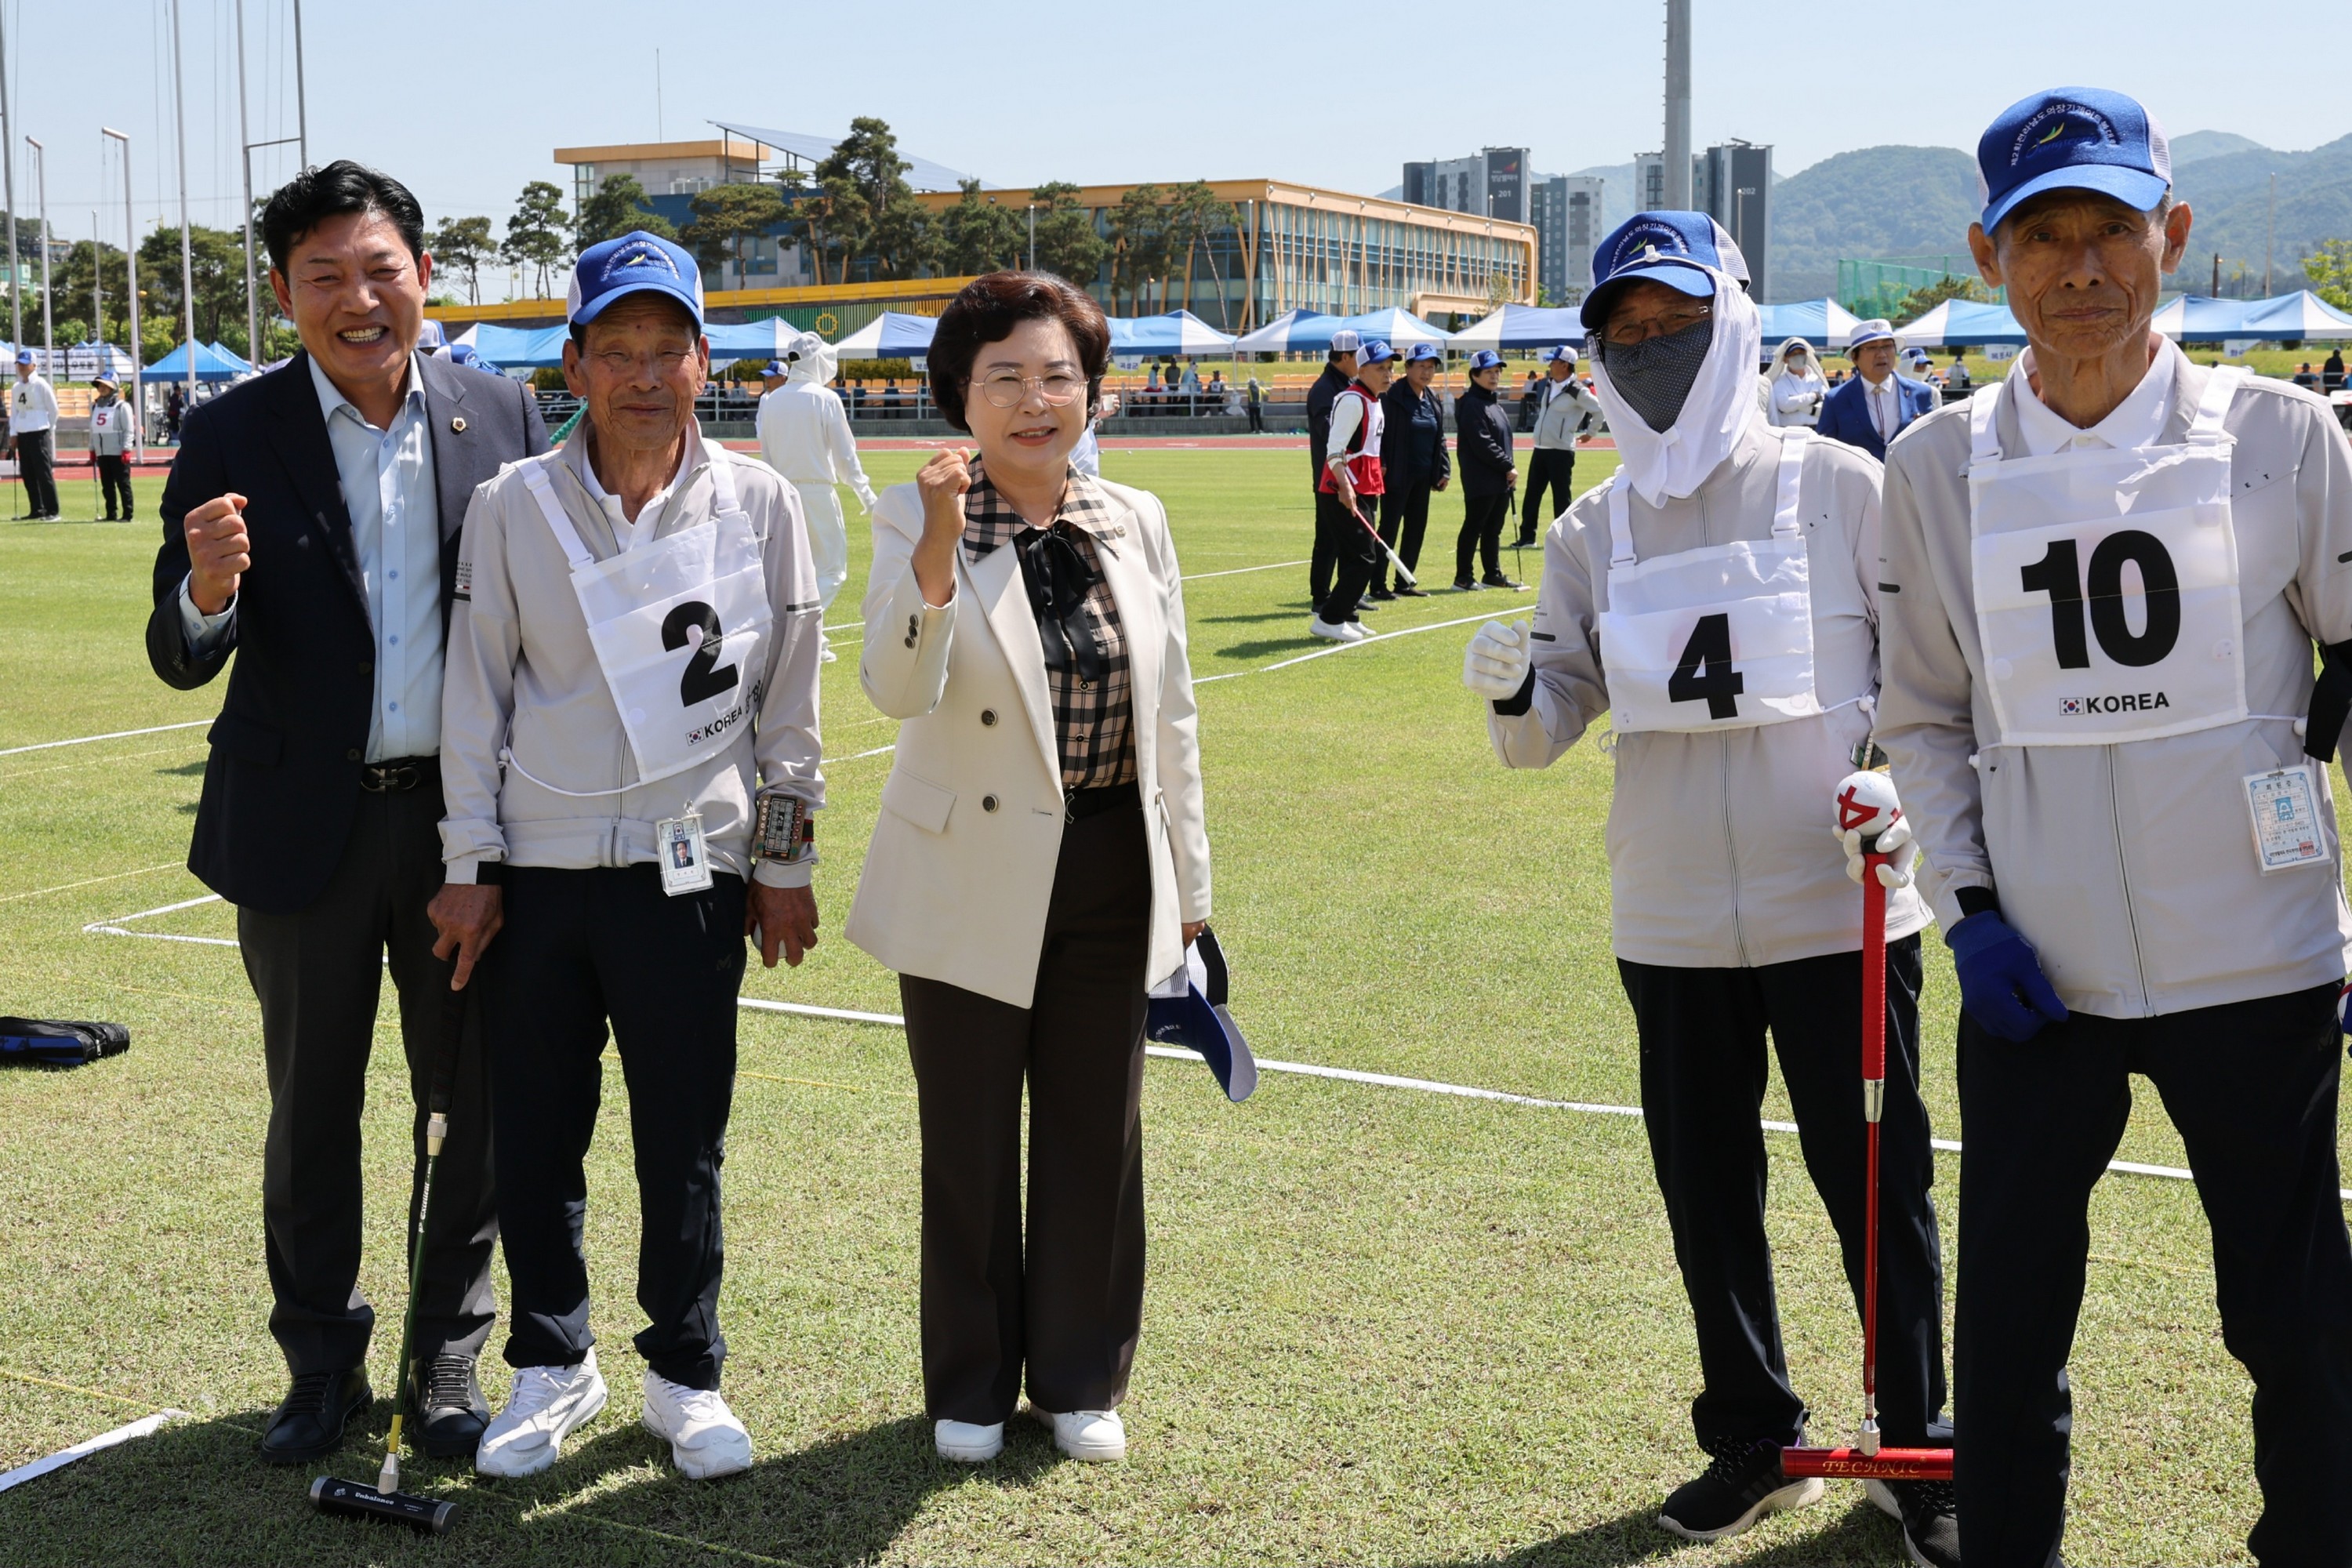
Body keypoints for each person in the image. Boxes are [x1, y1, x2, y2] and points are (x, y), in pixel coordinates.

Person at [1877, 85, 2352, 1568]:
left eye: (2113, 228)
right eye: (2043, 235)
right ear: (1987, 255)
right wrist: (1968, 912)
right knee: (2010, 1332)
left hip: (2260, 963)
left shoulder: (2287, 436)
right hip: (2041, 976)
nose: (2082, 266)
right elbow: (1926, 714)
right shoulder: (1936, 466)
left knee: (2297, 1320)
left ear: (2176, 233)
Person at [1460, 209, 1958, 1565]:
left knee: (1879, 1187)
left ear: (1735, 318)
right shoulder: (1594, 529)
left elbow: (1930, 686)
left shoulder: (1839, 487)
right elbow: (1543, 729)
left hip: (1840, 907)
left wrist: (1900, 794)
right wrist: (1517, 688)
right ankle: (1756, 1437)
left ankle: (1919, 1446)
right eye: (1627, 329)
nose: (1655, 347)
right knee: (1706, 1187)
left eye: (1679, 320)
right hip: (1671, 916)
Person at [143, 160, 550, 1466]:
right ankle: (320, 1363)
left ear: (424, 276)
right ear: (283, 295)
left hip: (460, 827)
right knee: (311, 1104)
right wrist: (207, 589)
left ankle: (444, 1360)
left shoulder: (503, 414)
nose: (358, 300)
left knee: (467, 1102)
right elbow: (181, 648)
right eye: (324, 277)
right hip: (298, 834)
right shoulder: (230, 429)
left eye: (381, 270)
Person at [430, 230, 824, 1483]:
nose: (644, 375)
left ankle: (684, 1373)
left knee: (683, 1136)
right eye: (618, 351)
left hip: (693, 871)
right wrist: (469, 860)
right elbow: (474, 696)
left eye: (669, 349)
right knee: (539, 1131)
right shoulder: (512, 507)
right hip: (539, 876)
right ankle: (552, 1363)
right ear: (575, 363)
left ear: (705, 361)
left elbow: (791, 713)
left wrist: (785, 861)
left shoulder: (760, 503)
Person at [845, 270, 1210, 1468]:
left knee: (1096, 1129)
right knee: (966, 1136)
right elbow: (896, 688)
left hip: (1110, 861)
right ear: (962, 397)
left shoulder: (1135, 517)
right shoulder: (916, 518)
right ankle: (967, 1382)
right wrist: (944, 546)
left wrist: (1190, 888)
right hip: (967, 865)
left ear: (1091, 392)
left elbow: (1177, 721)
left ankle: (1077, 1376)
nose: (1034, 400)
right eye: (1004, 378)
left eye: (1058, 375)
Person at [757, 331, 878, 657]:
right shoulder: (824, 399)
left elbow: (765, 455)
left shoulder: (770, 401)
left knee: (798, 569)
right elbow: (845, 456)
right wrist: (866, 495)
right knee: (832, 571)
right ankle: (803, 630)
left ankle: (811, 638)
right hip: (816, 493)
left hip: (781, 493)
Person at [1309, 339, 1398, 642]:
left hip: (1366, 486)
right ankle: (1329, 618)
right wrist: (1346, 488)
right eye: (1380, 368)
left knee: (1354, 556)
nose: (1388, 374)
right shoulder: (1352, 400)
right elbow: (1334, 450)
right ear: (1361, 369)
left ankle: (1348, 615)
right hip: (1343, 488)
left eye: (1390, 368)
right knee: (1364, 558)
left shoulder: (1374, 399)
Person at [1376, 341, 1450, 598]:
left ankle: (1404, 582)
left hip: (1423, 475)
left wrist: (1444, 469)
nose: (1427, 372)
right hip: (1396, 475)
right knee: (1389, 528)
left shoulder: (1432, 397)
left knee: (1416, 529)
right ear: (1407, 367)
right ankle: (1377, 584)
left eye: (1431, 367)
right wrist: (1381, 462)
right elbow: (1379, 433)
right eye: (1421, 366)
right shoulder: (1391, 395)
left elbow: (1439, 437)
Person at [1518, 344, 1603, 546]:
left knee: (1561, 498)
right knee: (1532, 496)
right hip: (1540, 449)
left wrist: (1590, 433)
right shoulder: (1549, 384)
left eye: (1553, 362)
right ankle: (1527, 538)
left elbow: (1600, 411)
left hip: (1561, 452)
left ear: (1565, 365)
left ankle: (1564, 540)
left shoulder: (1577, 391)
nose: (1550, 365)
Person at [1815, 320, 1936, 461]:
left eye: (1887, 346)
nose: (1882, 354)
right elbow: (1824, 452)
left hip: (1908, 480)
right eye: (1872, 348)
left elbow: (1932, 444)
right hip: (1858, 481)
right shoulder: (1836, 399)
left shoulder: (1921, 393)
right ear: (1855, 357)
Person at [1454, 349, 1521, 591]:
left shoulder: (1494, 404)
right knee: (1474, 526)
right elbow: (1482, 442)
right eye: (1488, 372)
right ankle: (1463, 577)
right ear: (1474, 375)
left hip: (1500, 478)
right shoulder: (1472, 404)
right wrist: (1507, 465)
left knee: (1493, 529)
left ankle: (1492, 574)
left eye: (1497, 371)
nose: (1495, 376)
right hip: (1481, 478)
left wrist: (1508, 469)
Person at [1306, 330, 1361, 615]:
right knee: (1328, 538)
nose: (1361, 360)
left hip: (1350, 473)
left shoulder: (1347, 384)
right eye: (1357, 355)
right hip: (1330, 476)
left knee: (1348, 537)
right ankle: (1321, 597)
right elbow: (1329, 433)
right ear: (1344, 357)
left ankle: (1346, 592)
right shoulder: (1325, 389)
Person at [9, 348, 60, 520]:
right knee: (28, 473)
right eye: (20, 364)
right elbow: (14, 411)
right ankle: (36, 509)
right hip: (23, 432)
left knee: (43, 472)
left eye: (25, 364)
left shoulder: (41, 384)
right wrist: (13, 432)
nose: (22, 367)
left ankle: (52, 510)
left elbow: (53, 409)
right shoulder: (16, 387)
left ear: (34, 365)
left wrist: (50, 429)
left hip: (39, 431)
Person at [89, 372, 136, 521]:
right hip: (102, 452)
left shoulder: (121, 406)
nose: (102, 388)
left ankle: (127, 514)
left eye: (105, 385)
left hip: (118, 451)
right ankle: (111, 514)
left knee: (123, 484)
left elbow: (129, 429)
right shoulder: (95, 406)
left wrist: (126, 448)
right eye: (100, 385)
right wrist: (92, 448)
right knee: (107, 486)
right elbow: (93, 429)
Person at [1767, 337, 1828, 427]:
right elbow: (1784, 405)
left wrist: (1795, 404)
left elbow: (1827, 405)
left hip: (1816, 429)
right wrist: (1813, 397)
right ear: (1786, 359)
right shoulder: (1780, 382)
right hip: (1789, 431)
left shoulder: (1817, 380)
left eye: (1801, 353)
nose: (1798, 356)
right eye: (1794, 354)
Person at [1243, 368, 1266, 433]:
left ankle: (1253, 430)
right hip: (1258, 405)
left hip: (1251, 405)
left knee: (1252, 418)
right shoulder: (1260, 388)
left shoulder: (1249, 389)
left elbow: (1247, 393)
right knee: (1258, 418)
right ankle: (1261, 429)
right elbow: (1265, 393)